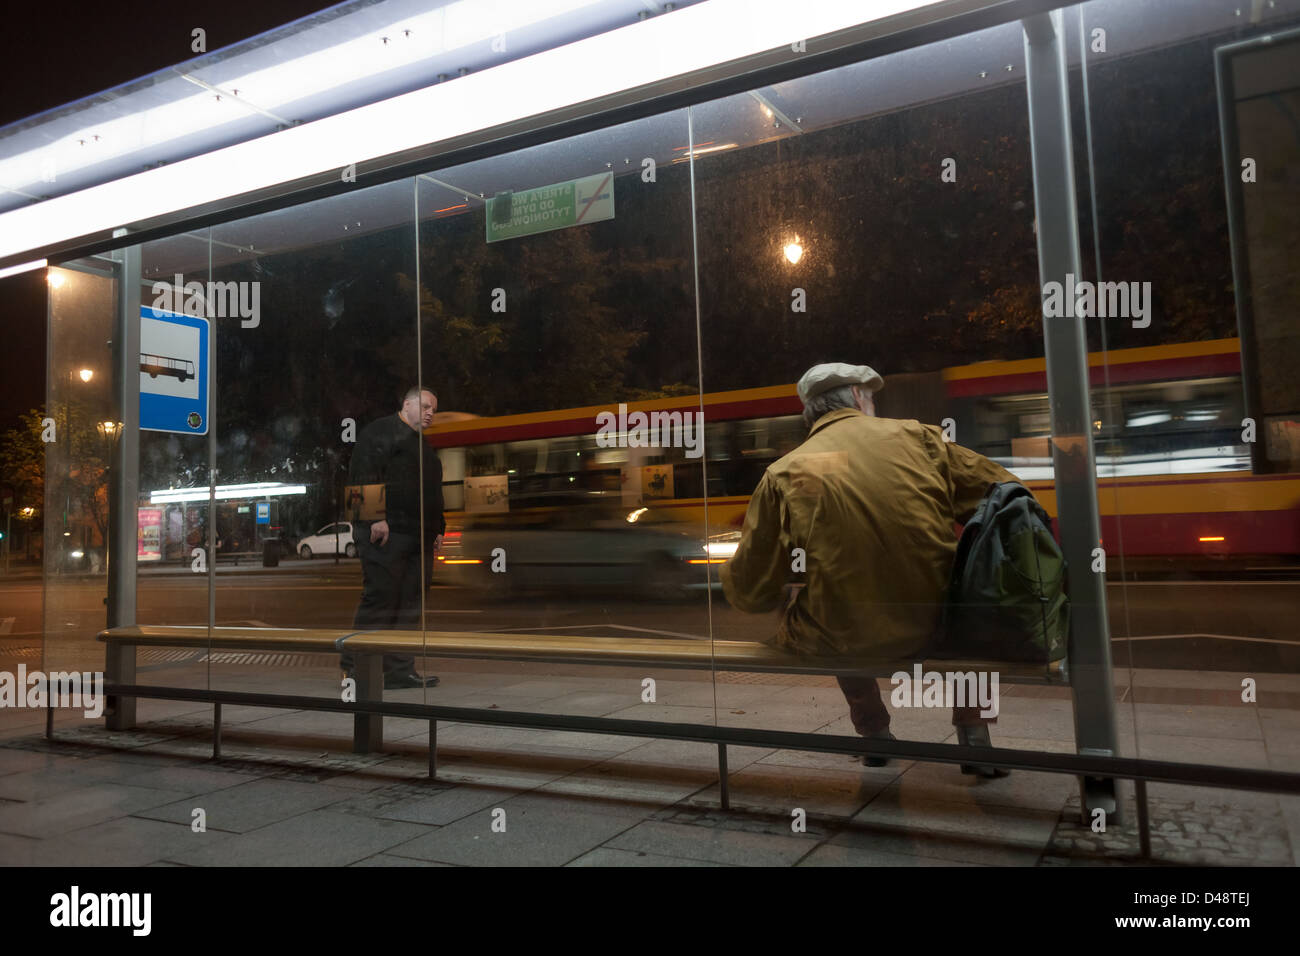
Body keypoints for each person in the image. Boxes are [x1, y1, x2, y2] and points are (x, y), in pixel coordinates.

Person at [720, 362, 1019, 775]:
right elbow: (1001, 492)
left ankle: (875, 733)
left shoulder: (785, 471)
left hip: (849, 638)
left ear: (811, 413)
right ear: (859, 398)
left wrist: (778, 587)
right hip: (940, 628)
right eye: (871, 397)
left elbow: (752, 588)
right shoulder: (920, 437)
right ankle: (976, 735)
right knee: (970, 605)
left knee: (827, 606)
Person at [342, 386, 445, 690]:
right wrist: (374, 518)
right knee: (380, 600)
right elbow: (362, 473)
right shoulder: (380, 431)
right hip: (386, 533)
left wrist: (438, 527)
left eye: (434, 410)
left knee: (410, 603)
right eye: (426, 407)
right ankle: (356, 671)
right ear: (407, 404)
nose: (430, 414)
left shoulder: (422, 445)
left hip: (418, 535)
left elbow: (432, 490)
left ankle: (399, 671)